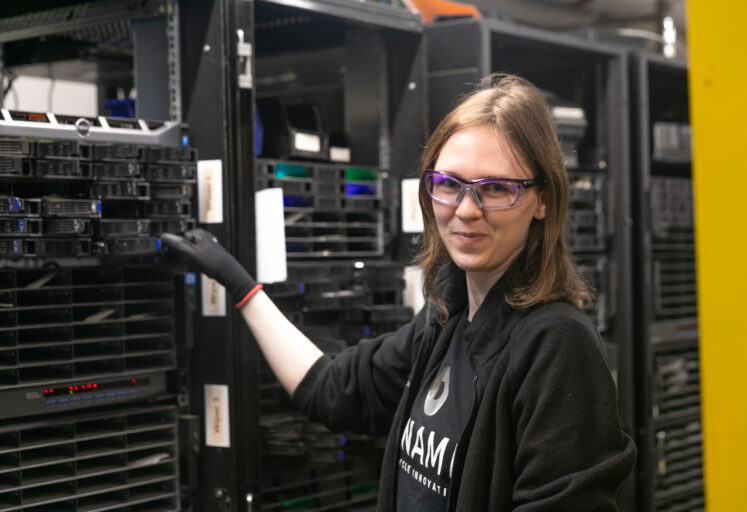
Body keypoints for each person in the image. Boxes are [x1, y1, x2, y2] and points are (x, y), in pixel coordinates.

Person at [162, 74, 636, 511]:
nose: (466, 210)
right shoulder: (447, 318)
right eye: (448, 184)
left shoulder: (556, 346)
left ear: (543, 199)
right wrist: (241, 287)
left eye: (495, 188)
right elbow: (331, 390)